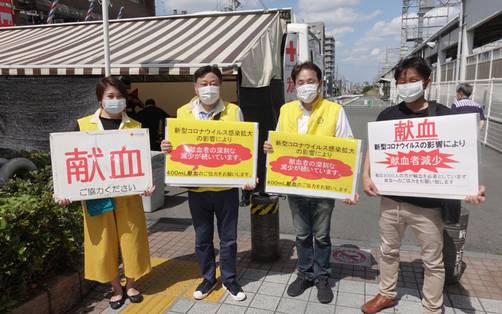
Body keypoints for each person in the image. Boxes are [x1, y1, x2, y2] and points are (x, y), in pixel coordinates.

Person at [361, 57, 486, 314]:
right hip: (391, 201)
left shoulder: (444, 115)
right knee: (387, 251)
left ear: (427, 81)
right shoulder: (389, 114)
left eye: (413, 80)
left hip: (428, 208)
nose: (406, 86)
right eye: (402, 81)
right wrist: (366, 175)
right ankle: (386, 293)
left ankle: (432, 307)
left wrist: (472, 187)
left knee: (433, 260)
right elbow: (374, 149)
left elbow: (461, 156)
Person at [263, 61, 359, 304]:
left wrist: (349, 187)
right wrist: (270, 148)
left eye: (311, 81)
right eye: (301, 82)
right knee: (302, 234)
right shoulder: (286, 111)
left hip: (324, 186)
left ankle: (323, 277)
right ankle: (305, 274)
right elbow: (279, 144)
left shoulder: (334, 110)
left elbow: (347, 147)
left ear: (320, 83)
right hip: (295, 184)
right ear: (293, 85)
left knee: (322, 236)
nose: (306, 86)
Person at [56, 77, 155, 310]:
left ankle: (131, 284)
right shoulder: (83, 125)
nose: (116, 101)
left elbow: (142, 163)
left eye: (120, 96)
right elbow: (67, 160)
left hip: (128, 196)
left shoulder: (135, 127)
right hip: (96, 195)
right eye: (110, 96)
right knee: (102, 242)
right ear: (100, 98)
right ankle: (115, 287)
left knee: (133, 239)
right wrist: (64, 190)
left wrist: (147, 184)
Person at [161, 65, 255, 302]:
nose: (209, 88)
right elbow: (177, 146)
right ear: (195, 87)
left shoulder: (234, 111)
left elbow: (246, 145)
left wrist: (247, 176)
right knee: (202, 238)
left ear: (220, 85)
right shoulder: (183, 113)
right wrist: (167, 148)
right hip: (198, 189)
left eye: (213, 83)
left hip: (226, 190)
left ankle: (230, 279)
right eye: (204, 84)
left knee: (229, 238)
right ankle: (208, 277)